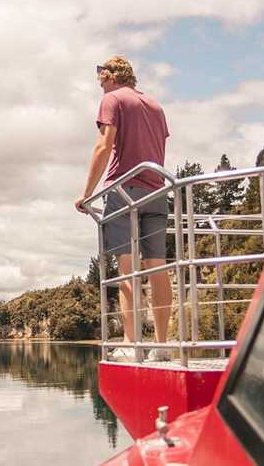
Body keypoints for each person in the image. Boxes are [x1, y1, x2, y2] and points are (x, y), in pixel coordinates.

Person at [74, 56, 172, 362]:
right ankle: (161, 345)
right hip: (157, 191)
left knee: (127, 270)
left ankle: (131, 344)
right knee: (158, 268)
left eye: (101, 80)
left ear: (111, 76)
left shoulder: (112, 100)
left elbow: (104, 146)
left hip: (123, 190)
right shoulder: (156, 106)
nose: (100, 86)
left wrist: (86, 194)